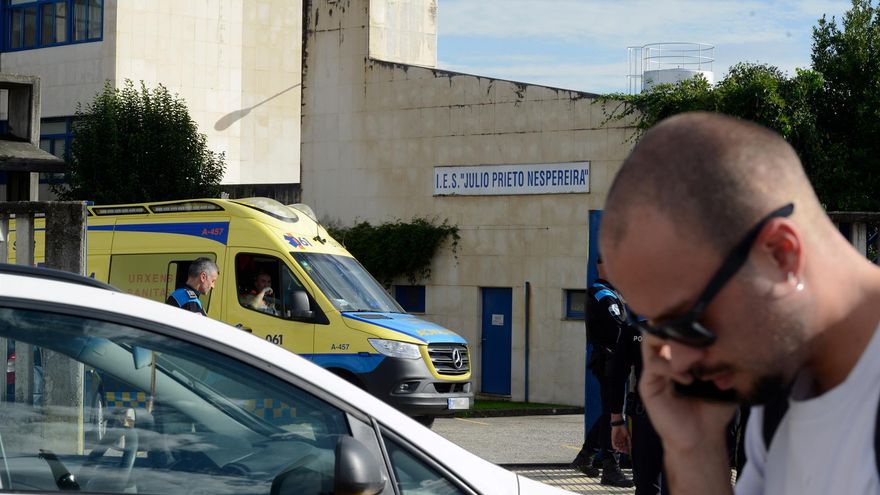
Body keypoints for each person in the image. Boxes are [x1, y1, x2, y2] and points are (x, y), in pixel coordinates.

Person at [599, 111, 880, 494]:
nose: (676, 360)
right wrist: (695, 452)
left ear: (781, 254)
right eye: (657, 330)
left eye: (689, 321)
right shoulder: (779, 391)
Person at [570, 255, 634, 488]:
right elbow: (620, 328)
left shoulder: (609, 292)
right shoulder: (603, 294)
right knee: (613, 414)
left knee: (610, 411)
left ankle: (586, 455)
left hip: (611, 360)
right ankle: (611, 468)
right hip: (609, 361)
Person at [608, 312, 669, 495]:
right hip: (687, 420)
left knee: (647, 486)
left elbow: (616, 375)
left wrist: (617, 421)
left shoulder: (635, 329)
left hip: (647, 418)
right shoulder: (700, 329)